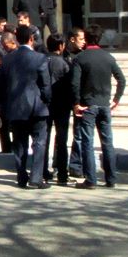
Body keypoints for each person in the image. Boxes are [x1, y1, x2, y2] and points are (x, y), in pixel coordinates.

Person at [72, 24, 126, 189]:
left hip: (88, 105)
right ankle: (111, 178)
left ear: (86, 38)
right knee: (107, 142)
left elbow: (75, 84)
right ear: (100, 38)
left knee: (88, 142)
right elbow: (121, 79)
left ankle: (91, 179)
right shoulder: (108, 57)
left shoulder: (80, 58)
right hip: (104, 104)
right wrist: (116, 99)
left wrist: (76, 103)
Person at [1, 24, 52, 189]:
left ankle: (21, 176)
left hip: (15, 107)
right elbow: (46, 85)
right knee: (39, 142)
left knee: (19, 143)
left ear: (16, 40)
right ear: (31, 39)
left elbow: (0, 84)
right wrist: (46, 101)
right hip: (37, 106)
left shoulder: (8, 59)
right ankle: (36, 178)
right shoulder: (40, 58)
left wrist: (4, 104)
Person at [46, 33, 73, 185]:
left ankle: (43, 170)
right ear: (61, 46)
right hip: (62, 105)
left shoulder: (42, 61)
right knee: (61, 140)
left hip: (45, 104)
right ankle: (62, 173)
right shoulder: (65, 63)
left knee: (44, 138)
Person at [64, 28, 86, 178]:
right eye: (81, 39)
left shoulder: (83, 56)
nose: (83, 42)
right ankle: (59, 164)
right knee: (61, 135)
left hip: (78, 99)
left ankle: (75, 165)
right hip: (63, 98)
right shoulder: (63, 55)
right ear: (72, 39)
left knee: (78, 134)